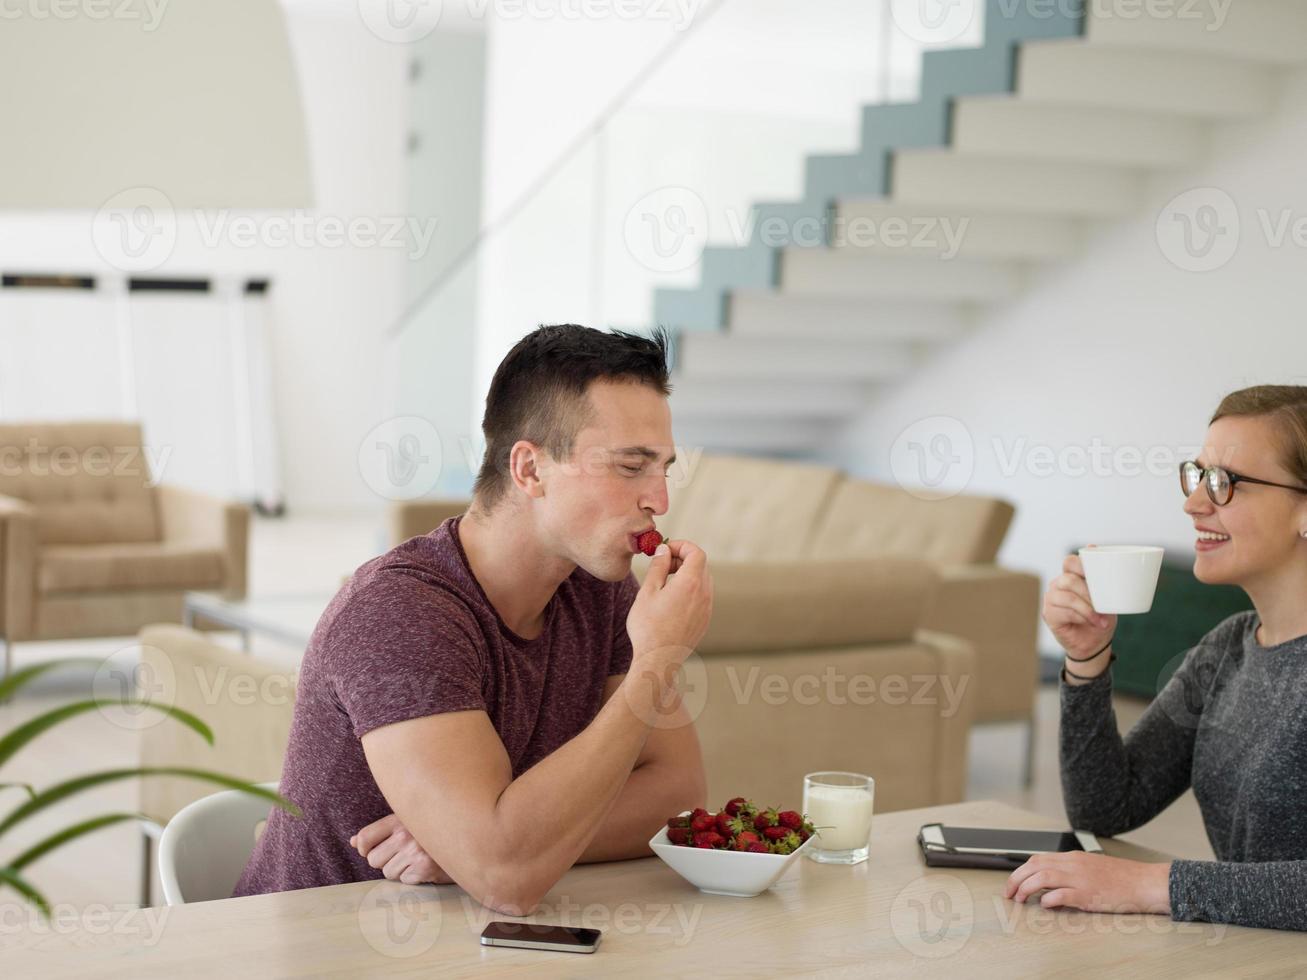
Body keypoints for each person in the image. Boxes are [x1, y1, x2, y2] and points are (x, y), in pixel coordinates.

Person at [233, 324, 713, 914]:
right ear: (530, 470)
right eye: (631, 466)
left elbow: (677, 794)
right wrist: (654, 664)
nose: (660, 500)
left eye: (663, 467)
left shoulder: (595, 588)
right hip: (318, 952)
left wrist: (487, 847)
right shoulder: (399, 615)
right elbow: (507, 881)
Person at [1005, 385, 1307, 931]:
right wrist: (1087, 659)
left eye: (1224, 484)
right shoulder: (1228, 648)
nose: (1193, 504)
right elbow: (1108, 809)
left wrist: (1150, 884)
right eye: (1197, 475)